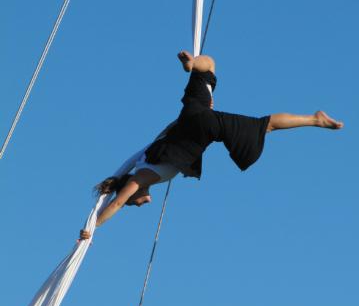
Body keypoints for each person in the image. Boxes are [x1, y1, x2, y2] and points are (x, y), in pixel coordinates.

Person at [80, 50, 343, 239]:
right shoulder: (142, 159)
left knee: (265, 125)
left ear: (131, 192)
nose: (144, 203)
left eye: (135, 203)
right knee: (210, 65)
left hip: (205, 128)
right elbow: (164, 133)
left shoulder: (141, 176)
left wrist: (92, 229)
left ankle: (314, 120)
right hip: (191, 116)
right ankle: (194, 63)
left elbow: (114, 204)